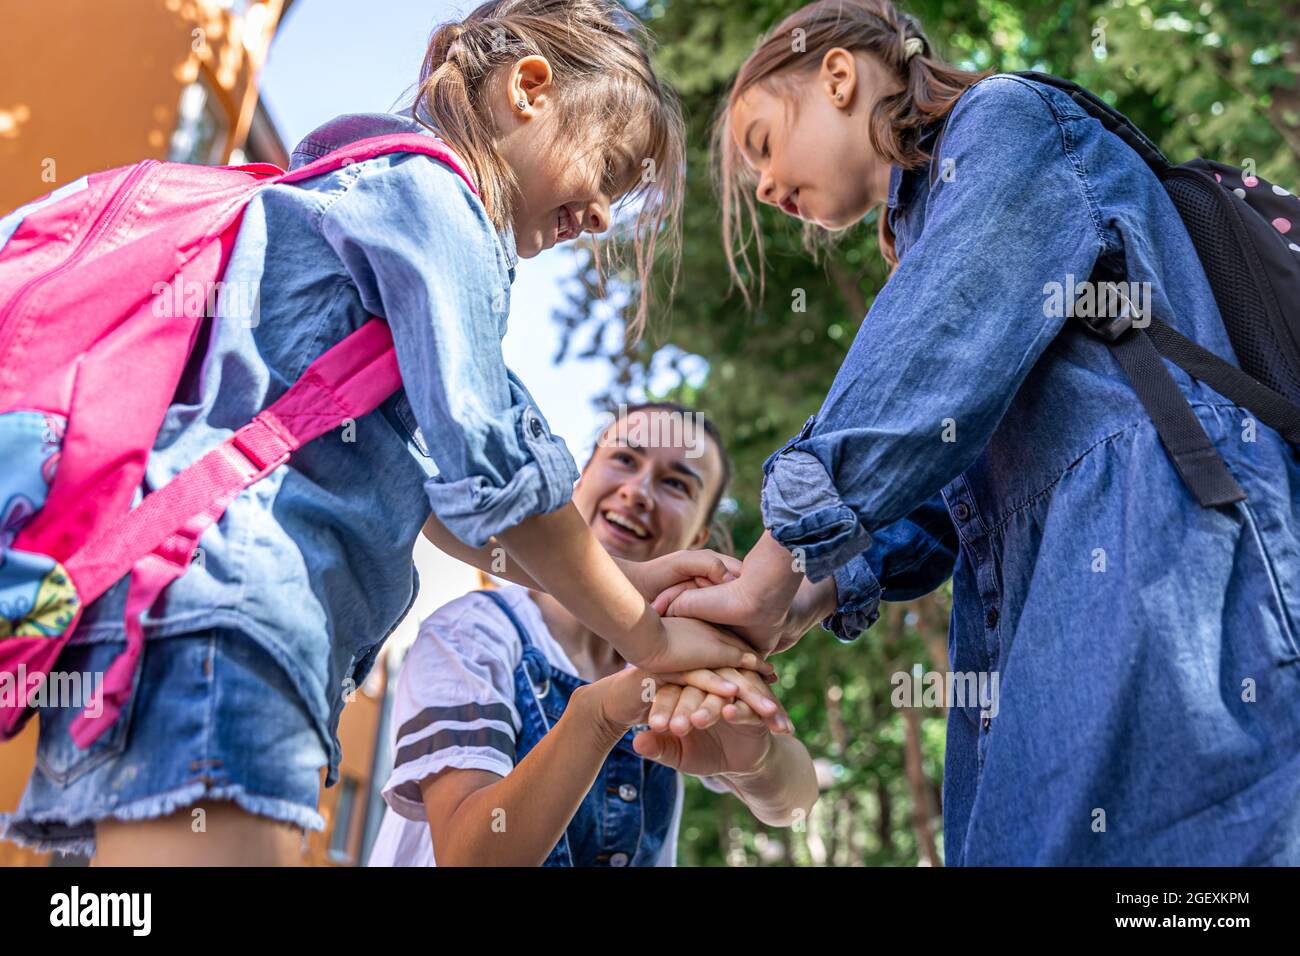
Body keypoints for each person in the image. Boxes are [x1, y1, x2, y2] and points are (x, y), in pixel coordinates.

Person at [0, 0, 770, 865]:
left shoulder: (368, 207)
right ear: (529, 88)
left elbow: (445, 501)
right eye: (611, 169)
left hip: (157, 617)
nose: (601, 217)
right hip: (236, 618)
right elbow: (500, 476)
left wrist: (623, 578)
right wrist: (653, 637)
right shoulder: (436, 204)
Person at [659, 0, 1300, 865]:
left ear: (838, 76)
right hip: (1039, 623)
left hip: (1162, 567)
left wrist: (770, 568)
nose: (767, 189)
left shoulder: (1005, 121)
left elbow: (931, 360)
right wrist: (801, 596)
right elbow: (939, 491)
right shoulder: (932, 229)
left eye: (764, 144)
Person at [369, 403, 817, 866]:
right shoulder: (472, 633)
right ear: (577, 480)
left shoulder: (691, 655)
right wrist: (598, 717)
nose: (639, 491)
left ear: (699, 534)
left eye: (676, 484)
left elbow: (797, 803)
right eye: (625, 459)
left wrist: (757, 761)